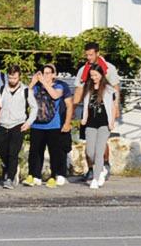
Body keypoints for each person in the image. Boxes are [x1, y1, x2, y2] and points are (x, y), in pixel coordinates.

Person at [74, 44, 121, 189]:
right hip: (90, 112)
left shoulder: (108, 68)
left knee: (100, 146)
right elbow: (79, 90)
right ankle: (93, 168)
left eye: (91, 55)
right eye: (87, 55)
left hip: (104, 113)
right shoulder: (84, 70)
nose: (89, 57)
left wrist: (116, 108)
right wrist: (74, 109)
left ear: (97, 53)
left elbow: (115, 88)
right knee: (89, 147)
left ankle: (102, 167)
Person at [27, 61, 69, 185]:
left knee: (54, 152)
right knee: (35, 151)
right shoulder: (36, 87)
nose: (44, 75)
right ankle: (34, 175)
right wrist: (32, 83)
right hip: (37, 124)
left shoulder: (58, 86)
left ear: (53, 75)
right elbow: (25, 97)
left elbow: (55, 96)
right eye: (43, 73)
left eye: (47, 73)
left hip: (53, 125)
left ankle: (53, 175)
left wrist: (45, 83)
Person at [0, 66, 30, 187]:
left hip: (18, 124)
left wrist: (28, 122)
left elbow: (34, 107)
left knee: (13, 152)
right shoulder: (1, 89)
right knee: (2, 150)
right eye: (10, 77)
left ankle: (9, 178)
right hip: (2, 124)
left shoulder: (25, 90)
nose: (12, 80)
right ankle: (10, 168)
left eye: (14, 78)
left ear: (19, 77)